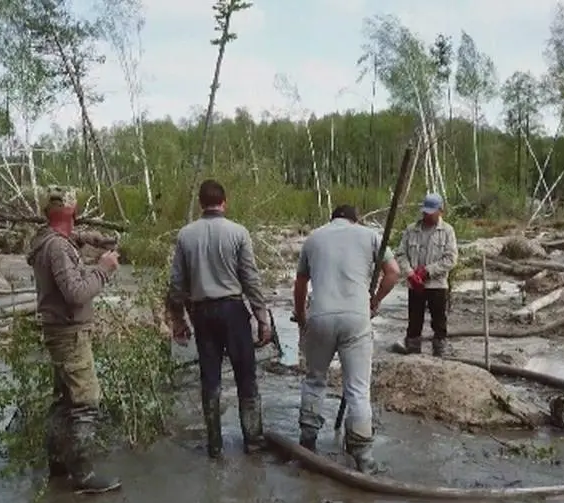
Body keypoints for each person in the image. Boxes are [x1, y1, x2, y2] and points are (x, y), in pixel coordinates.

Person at [167, 179, 272, 459]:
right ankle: (253, 441)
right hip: (233, 310)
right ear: (224, 202)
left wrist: (178, 320)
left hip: (202, 313)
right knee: (245, 375)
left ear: (201, 203)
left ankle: (215, 445)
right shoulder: (238, 232)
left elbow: (176, 283)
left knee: (210, 378)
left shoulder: (186, 235)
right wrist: (262, 318)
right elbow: (250, 278)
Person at [27, 187, 122, 495]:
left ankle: (57, 466)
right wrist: (104, 270)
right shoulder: (57, 247)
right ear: (72, 211)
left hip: (58, 330)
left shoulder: (47, 239)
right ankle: (83, 475)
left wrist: (88, 239)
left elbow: (66, 241)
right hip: (70, 333)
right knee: (84, 402)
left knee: (63, 400)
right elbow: (76, 293)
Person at [293, 204, 400, 474]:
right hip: (356, 317)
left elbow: (301, 283)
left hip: (320, 315)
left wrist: (302, 318)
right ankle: (363, 455)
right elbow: (393, 272)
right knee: (358, 389)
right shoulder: (370, 236)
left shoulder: (314, 238)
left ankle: (307, 442)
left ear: (333, 219)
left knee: (315, 380)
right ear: (356, 219)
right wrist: (375, 300)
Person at [394, 192, 458, 357]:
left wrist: (428, 271)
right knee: (414, 321)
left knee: (439, 321)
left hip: (437, 284)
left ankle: (440, 350)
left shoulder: (447, 231)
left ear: (440, 211)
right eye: (425, 212)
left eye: (431, 213)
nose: (427, 216)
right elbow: (401, 254)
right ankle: (413, 349)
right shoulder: (411, 230)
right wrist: (410, 274)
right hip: (415, 284)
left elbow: (451, 259)